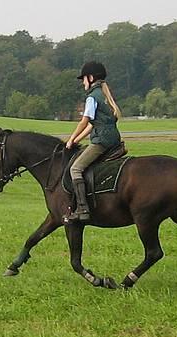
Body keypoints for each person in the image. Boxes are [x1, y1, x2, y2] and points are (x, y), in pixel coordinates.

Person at [64, 61, 122, 223]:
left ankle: (82, 208)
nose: (82, 82)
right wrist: (76, 140)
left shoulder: (92, 97)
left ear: (90, 78)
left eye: (83, 79)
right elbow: (92, 125)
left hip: (101, 141)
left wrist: (69, 140)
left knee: (75, 168)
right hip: (113, 139)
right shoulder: (104, 95)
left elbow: (84, 122)